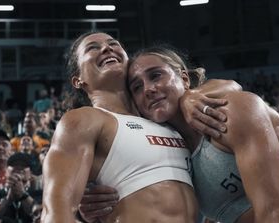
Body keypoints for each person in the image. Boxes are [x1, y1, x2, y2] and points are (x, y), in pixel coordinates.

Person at [80, 45, 279, 223]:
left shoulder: (234, 110)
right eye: (137, 87)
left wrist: (195, 96)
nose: (150, 89)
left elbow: (276, 213)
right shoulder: (168, 151)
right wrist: (100, 209)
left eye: (156, 75)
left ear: (184, 79)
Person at [41, 31, 197, 223]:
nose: (107, 48)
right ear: (78, 80)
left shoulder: (164, 117)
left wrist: (191, 97)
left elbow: (226, 88)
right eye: (93, 48)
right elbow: (56, 212)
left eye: (113, 44)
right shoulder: (82, 121)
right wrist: (81, 213)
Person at [0, 153, 36, 223]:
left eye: (23, 166)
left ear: (31, 174)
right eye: (14, 165)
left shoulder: (39, 194)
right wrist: (9, 196)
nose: (18, 167)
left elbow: (37, 214)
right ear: (6, 172)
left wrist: (22, 194)